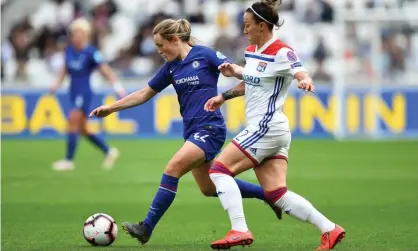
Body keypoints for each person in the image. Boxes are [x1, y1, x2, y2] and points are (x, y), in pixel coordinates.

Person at [90, 18, 283, 245]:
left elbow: (243, 75)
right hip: (191, 130)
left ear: (174, 40)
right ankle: (268, 195)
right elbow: (144, 94)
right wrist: (111, 108)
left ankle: (146, 227)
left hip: (210, 128)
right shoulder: (171, 68)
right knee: (209, 188)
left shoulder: (205, 55)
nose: (159, 51)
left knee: (173, 168)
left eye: (161, 46)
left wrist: (242, 74)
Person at [204, 0, 345, 250]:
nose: (244, 28)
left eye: (247, 25)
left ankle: (239, 229)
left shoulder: (281, 51)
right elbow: (252, 81)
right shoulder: (252, 51)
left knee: (218, 171)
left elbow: (299, 71)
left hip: (265, 127)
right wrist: (223, 97)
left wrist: (305, 81)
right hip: (275, 131)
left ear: (262, 25)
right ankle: (329, 229)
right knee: (276, 193)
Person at [50, 18, 125, 171]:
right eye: (74, 33)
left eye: (79, 33)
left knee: (72, 120)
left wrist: (117, 86)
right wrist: (56, 84)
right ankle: (109, 151)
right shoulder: (69, 50)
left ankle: (68, 160)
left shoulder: (91, 52)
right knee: (83, 129)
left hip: (84, 91)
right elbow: (65, 69)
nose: (76, 36)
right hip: (73, 90)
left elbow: (105, 70)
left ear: (85, 35)